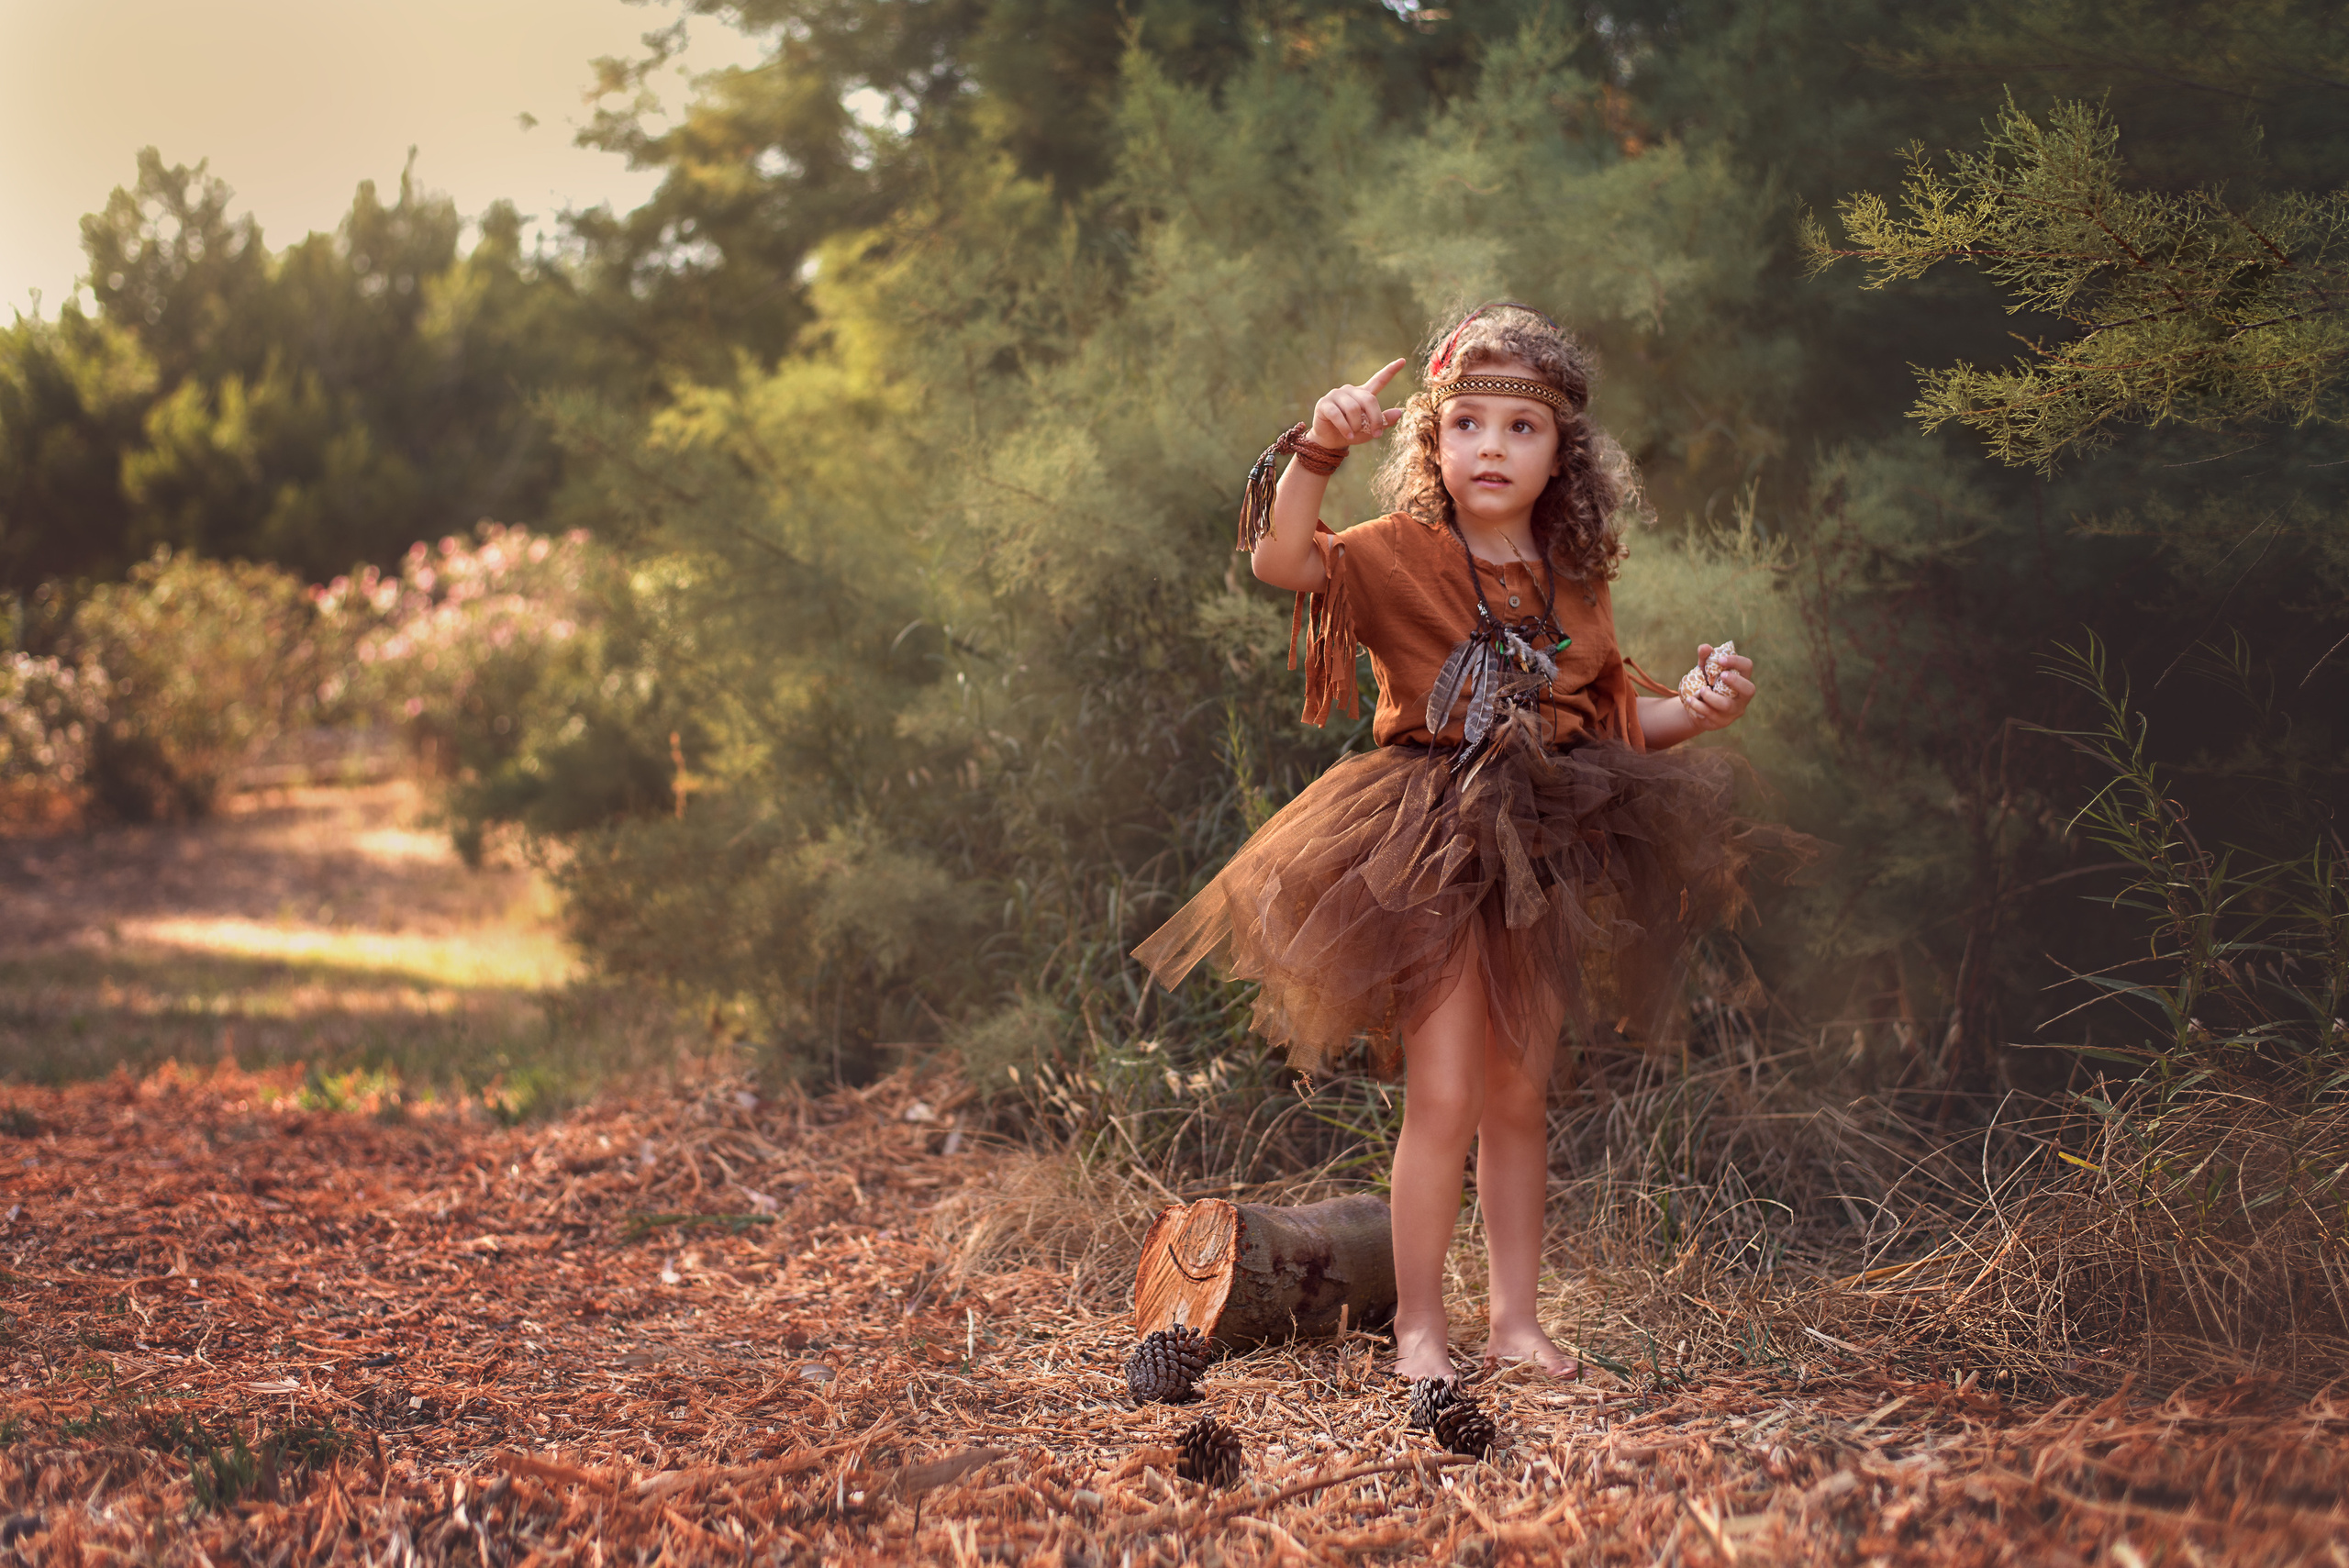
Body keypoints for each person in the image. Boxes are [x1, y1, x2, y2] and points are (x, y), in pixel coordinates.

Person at [1134, 302, 1769, 1385]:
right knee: (1444, 1091)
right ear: (1431, 440)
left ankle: (1516, 1322)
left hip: (1544, 838)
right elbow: (1282, 565)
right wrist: (1319, 451)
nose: (1491, 446)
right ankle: (1420, 1326)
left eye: (1520, 428)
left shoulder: (1574, 573)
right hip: (1422, 839)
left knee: (1520, 1089)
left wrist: (1698, 711)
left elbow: (1609, 720)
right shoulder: (1395, 553)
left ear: (1563, 452)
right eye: (1466, 422)